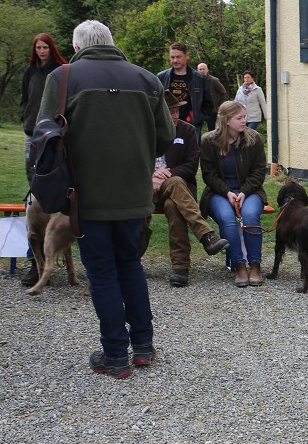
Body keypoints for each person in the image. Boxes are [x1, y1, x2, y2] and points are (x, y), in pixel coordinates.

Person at [38, 20, 174, 379]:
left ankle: (115, 354)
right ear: (111, 43)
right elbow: (166, 136)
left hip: (86, 196)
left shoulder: (63, 78)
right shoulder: (147, 79)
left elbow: (42, 135)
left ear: (79, 46)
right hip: (134, 193)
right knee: (130, 264)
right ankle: (143, 346)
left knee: (101, 272)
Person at [152, 93, 228, 288]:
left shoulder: (187, 131)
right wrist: (152, 175)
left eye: (177, 110)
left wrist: (166, 174)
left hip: (178, 188)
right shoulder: (145, 129)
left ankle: (180, 269)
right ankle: (206, 236)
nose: (176, 115)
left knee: (174, 202)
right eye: (170, 112)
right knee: (175, 184)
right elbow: (133, 162)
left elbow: (192, 165)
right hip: (147, 188)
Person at [200, 100, 268, 288]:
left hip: (250, 191)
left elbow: (259, 172)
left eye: (245, 116)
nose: (244, 121)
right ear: (226, 121)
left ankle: (255, 265)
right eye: (239, 118)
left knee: (250, 215)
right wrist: (227, 192)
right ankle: (239, 265)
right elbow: (209, 175)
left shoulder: (253, 138)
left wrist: (244, 192)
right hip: (218, 192)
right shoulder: (208, 141)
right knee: (227, 218)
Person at [19, 33, 68, 288]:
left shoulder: (61, 71)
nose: (41, 51)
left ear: (51, 49)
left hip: (54, 134)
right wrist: (26, 116)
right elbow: (25, 99)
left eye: (44, 47)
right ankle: (34, 262)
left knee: (54, 186)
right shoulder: (30, 72)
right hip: (32, 131)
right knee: (33, 190)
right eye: (37, 47)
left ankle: (57, 246)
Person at [157, 43, 226, 133]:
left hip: (192, 126)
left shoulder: (200, 78)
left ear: (187, 56)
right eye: (172, 57)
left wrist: (197, 118)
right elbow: (156, 101)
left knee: (192, 147)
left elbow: (209, 103)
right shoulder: (162, 77)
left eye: (178, 57)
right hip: (168, 125)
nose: (175, 60)